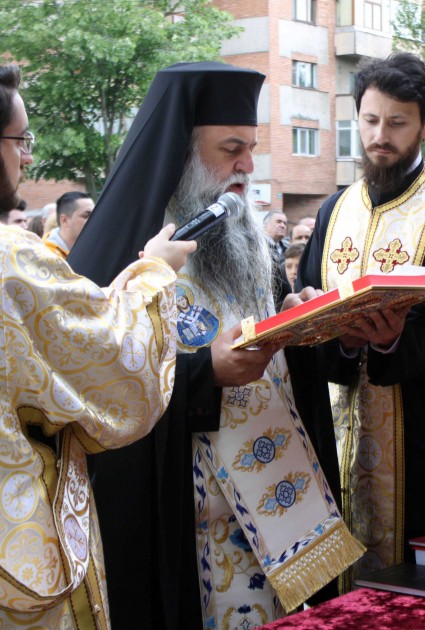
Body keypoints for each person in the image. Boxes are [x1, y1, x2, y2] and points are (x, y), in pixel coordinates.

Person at [68, 61, 363, 630]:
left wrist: (313, 328)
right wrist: (205, 374)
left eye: (251, 148)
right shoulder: (115, 255)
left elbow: (279, 362)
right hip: (185, 526)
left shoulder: (244, 238)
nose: (247, 165)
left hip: (274, 526)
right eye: (231, 149)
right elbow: (96, 389)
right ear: (182, 152)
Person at [0, 61, 195, 628]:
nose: (27, 158)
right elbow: (116, 365)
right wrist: (154, 271)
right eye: (20, 140)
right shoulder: (12, 260)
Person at [289, 52, 425, 588]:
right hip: (337, 445)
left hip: (422, 460)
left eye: (397, 123)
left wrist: (389, 343)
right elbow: (310, 301)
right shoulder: (333, 211)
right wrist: (323, 328)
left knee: (422, 607)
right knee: (340, 606)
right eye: (370, 120)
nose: (380, 136)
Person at [44, 190, 94, 258]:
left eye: (94, 215)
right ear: (64, 220)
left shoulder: (92, 247)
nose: (94, 220)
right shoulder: (46, 256)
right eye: (86, 216)